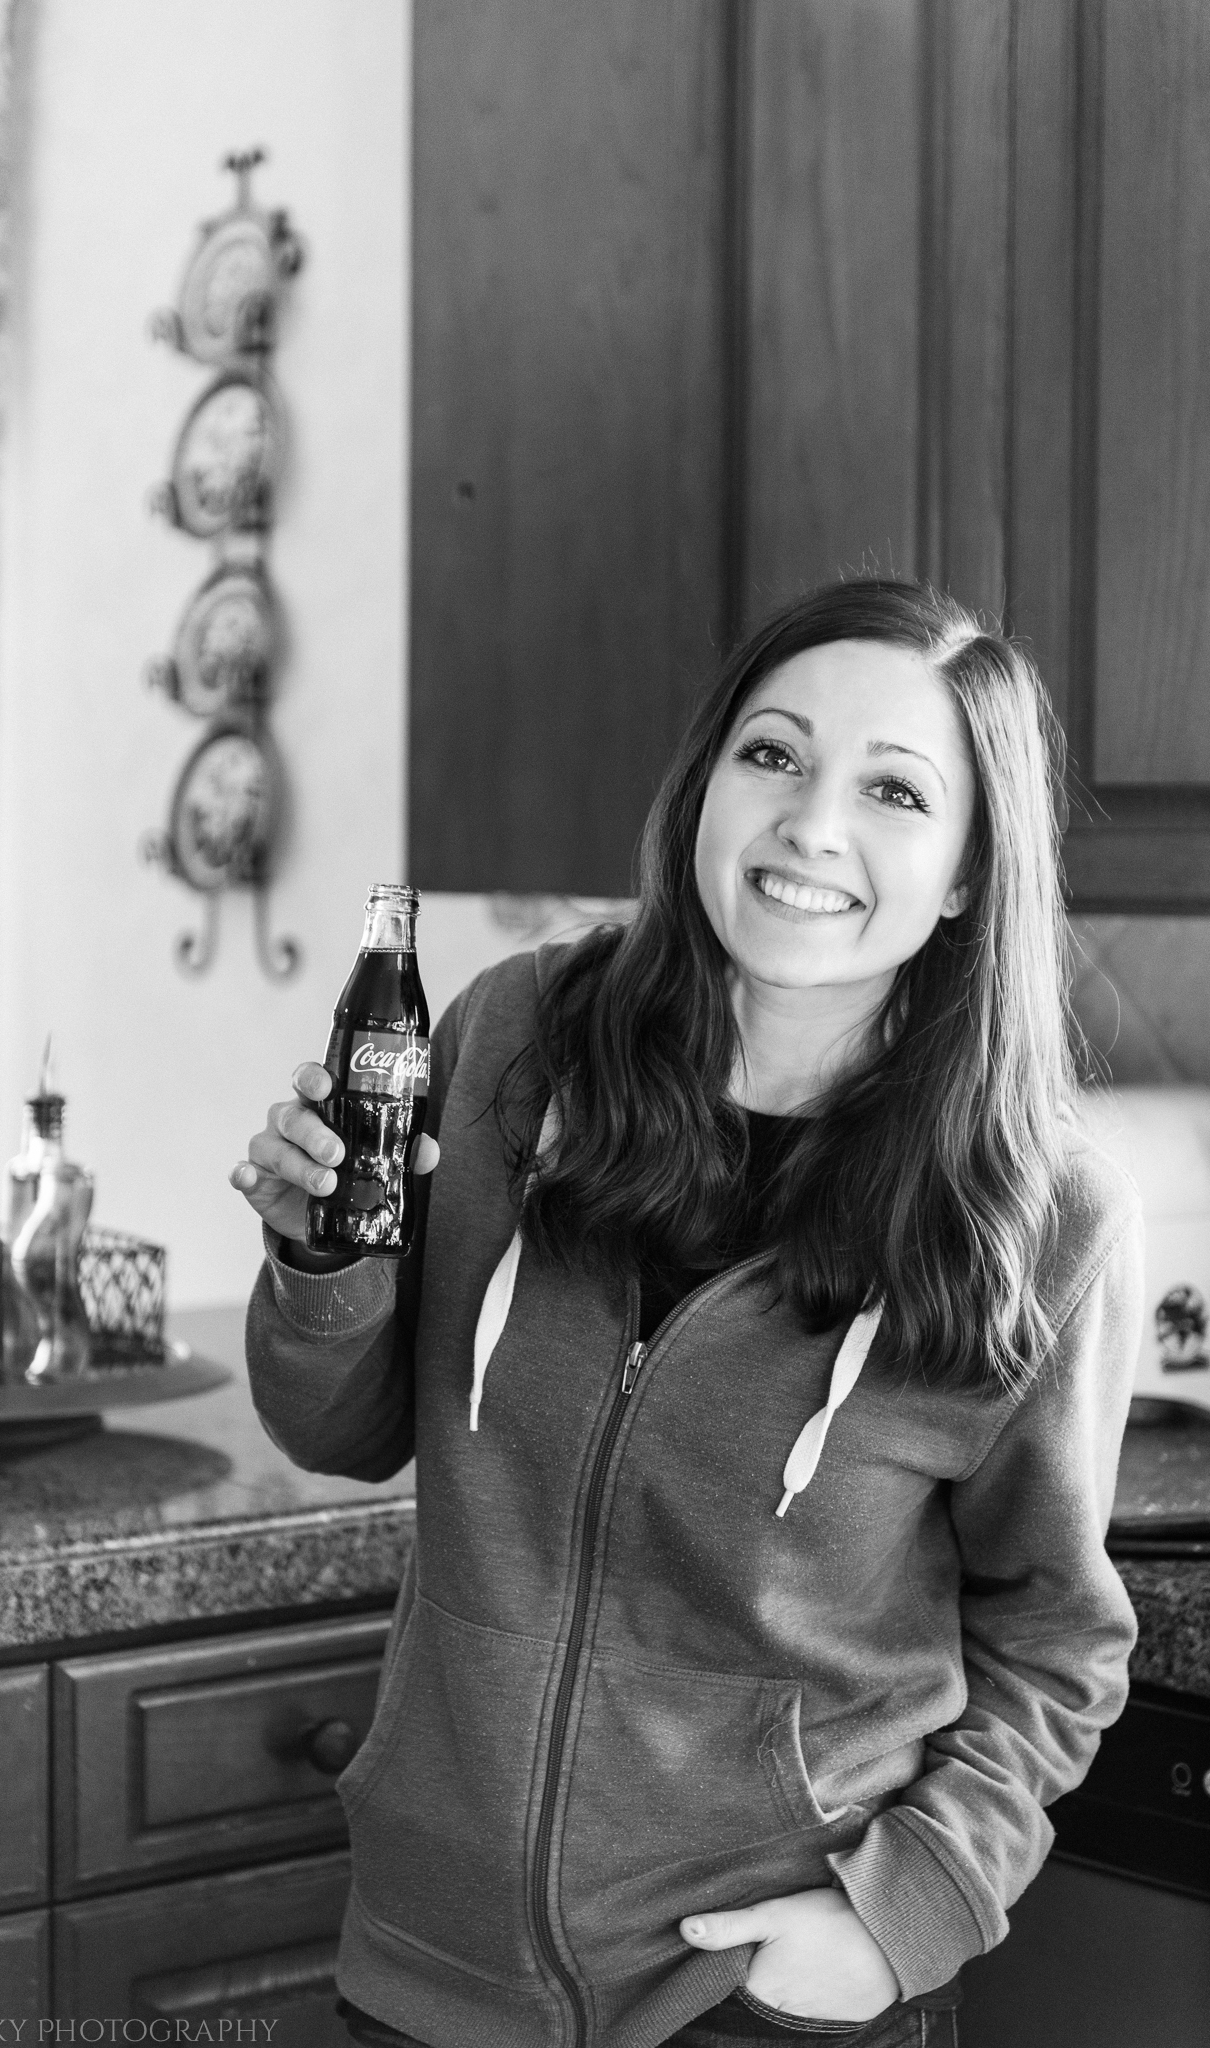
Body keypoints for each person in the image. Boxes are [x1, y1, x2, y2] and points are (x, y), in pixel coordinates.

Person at [233, 579, 1143, 2048]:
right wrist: (319, 1260)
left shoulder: (1040, 1214)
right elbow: (339, 1431)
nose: (812, 826)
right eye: (773, 755)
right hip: (431, 1964)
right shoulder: (513, 1043)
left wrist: (903, 1913)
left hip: (759, 1995)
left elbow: (1056, 1642)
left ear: (969, 873)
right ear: (705, 784)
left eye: (896, 791)